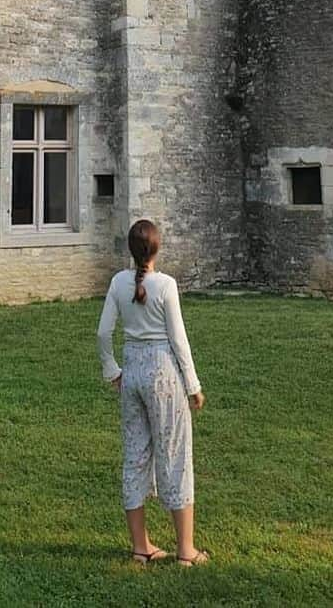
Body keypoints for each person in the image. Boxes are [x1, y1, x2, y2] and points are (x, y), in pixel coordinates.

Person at [96, 218, 209, 567]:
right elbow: (178, 339)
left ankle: (140, 546)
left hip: (132, 368)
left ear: (130, 250)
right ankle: (186, 550)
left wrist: (112, 370)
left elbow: (102, 333)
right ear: (156, 248)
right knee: (173, 452)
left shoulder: (118, 282)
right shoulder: (166, 285)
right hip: (163, 371)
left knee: (135, 453)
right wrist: (193, 385)